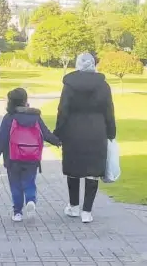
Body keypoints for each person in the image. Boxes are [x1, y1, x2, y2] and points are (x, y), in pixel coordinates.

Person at [54, 53, 116, 223]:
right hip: (97, 131)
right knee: (93, 172)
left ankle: (73, 207)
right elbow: (109, 112)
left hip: (73, 131)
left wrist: (58, 132)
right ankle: (87, 211)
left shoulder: (69, 86)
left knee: (73, 171)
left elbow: (63, 110)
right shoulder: (104, 86)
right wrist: (111, 133)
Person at [0, 88, 61, 222]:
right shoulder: (35, 116)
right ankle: (30, 200)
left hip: (12, 158)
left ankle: (17, 213)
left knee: (15, 185)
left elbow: (1, 138)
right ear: (25, 100)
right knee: (29, 182)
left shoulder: (9, 118)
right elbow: (45, 134)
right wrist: (57, 141)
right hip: (32, 157)